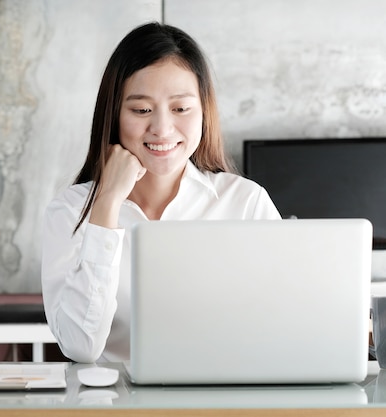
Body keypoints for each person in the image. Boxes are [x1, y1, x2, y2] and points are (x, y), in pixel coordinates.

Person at [41, 22, 281, 364]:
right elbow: (81, 346)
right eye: (141, 110)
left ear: (203, 113)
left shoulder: (245, 202)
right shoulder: (70, 211)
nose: (162, 129)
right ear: (114, 115)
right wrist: (106, 205)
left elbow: (279, 326)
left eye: (181, 109)